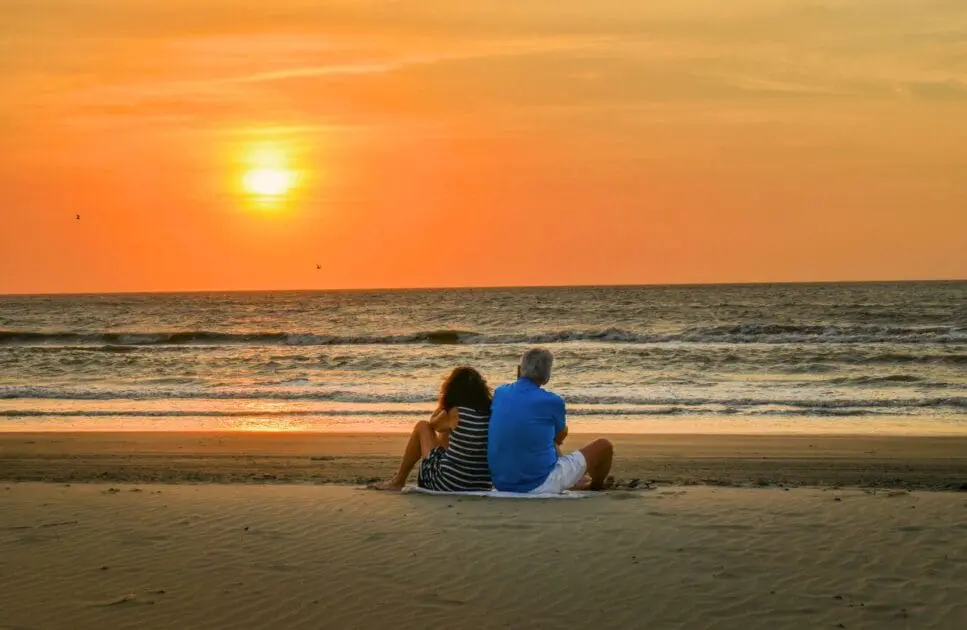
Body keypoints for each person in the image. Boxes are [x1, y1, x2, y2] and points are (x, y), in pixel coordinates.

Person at [488, 348, 613, 493]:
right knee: (604, 446)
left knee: (537, 435)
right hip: (539, 484)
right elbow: (559, 437)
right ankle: (595, 486)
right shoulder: (553, 401)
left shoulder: (500, 392)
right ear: (546, 376)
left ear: (519, 370)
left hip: (502, 482)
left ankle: (574, 477)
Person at [374, 366, 492, 491]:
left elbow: (433, 424)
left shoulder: (455, 412)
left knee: (422, 426)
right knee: (448, 432)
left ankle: (399, 481)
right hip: (481, 484)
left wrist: (444, 404)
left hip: (448, 484)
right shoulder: (490, 412)